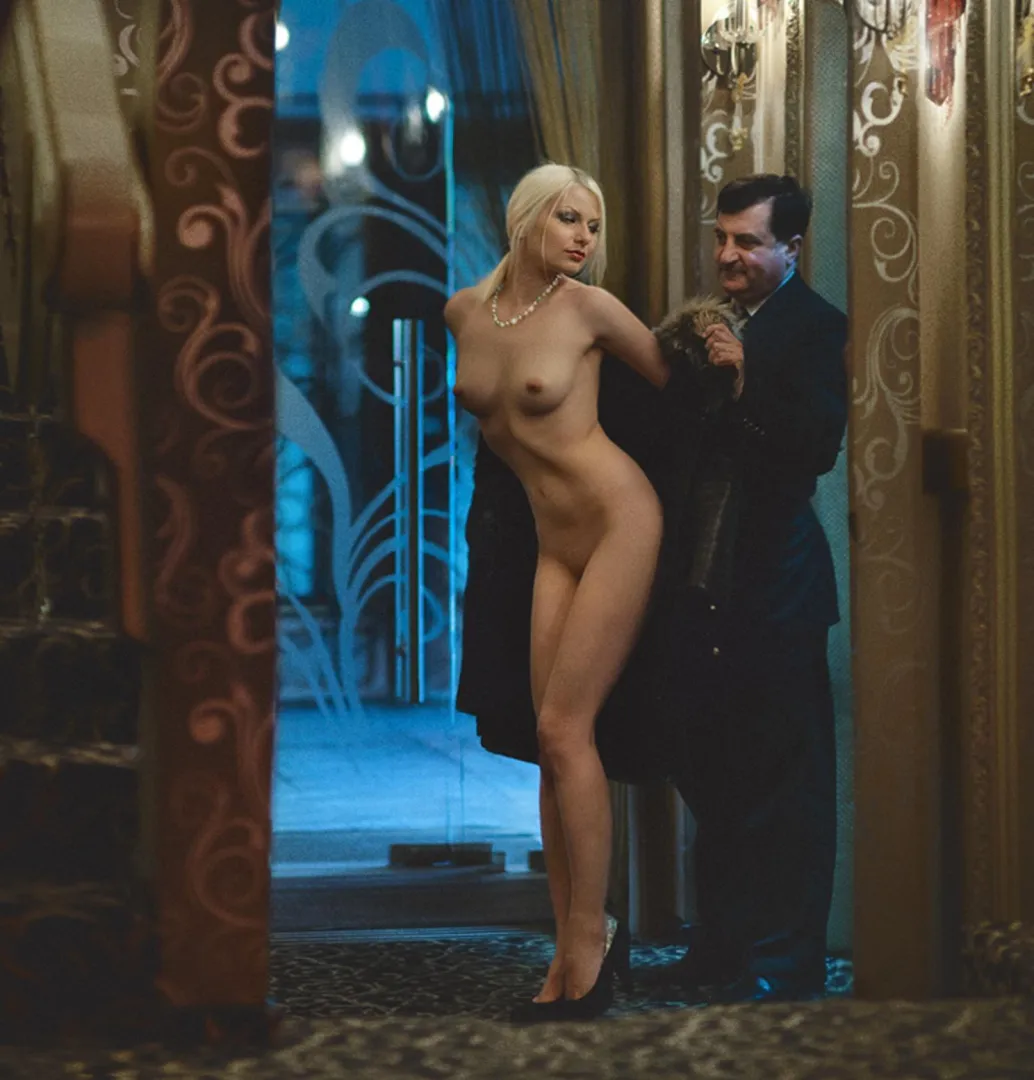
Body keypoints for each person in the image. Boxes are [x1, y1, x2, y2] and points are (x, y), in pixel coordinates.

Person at [444, 162, 670, 1021]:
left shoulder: (592, 310)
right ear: (527, 218)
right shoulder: (463, 311)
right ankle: (571, 945)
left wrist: (725, 353)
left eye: (594, 225)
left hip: (618, 521)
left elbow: (680, 389)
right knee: (551, 742)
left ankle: (589, 946)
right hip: (549, 546)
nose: (585, 238)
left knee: (567, 729)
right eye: (570, 219)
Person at [662, 173, 848, 1003]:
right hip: (707, 587)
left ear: (792, 248)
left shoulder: (817, 327)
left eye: (748, 241)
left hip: (779, 584)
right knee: (714, 777)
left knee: (787, 789)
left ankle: (784, 963)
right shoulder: (706, 323)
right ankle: (720, 950)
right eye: (722, 238)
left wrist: (744, 384)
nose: (728, 254)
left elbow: (813, 449)